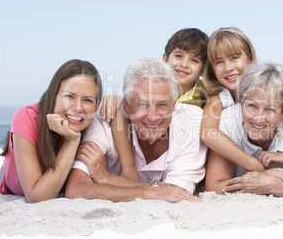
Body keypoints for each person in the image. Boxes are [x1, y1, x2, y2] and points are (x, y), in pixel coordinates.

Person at [65, 58, 207, 203]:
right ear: (127, 105)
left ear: (173, 104)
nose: (152, 116)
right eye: (143, 104)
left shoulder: (192, 122)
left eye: (162, 105)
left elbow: (176, 193)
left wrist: (104, 177)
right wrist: (153, 191)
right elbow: (76, 189)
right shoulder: (106, 120)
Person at [200, 27, 283, 173]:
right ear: (212, 69)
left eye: (234, 58)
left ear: (250, 59)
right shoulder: (218, 98)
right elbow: (208, 134)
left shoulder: (271, 89)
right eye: (219, 62)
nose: (228, 67)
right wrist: (254, 164)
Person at [99, 28, 209, 181]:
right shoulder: (145, 86)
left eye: (194, 60)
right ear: (165, 58)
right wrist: (118, 101)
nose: (184, 64)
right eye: (178, 56)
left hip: (191, 161)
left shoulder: (204, 97)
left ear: (203, 69)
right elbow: (127, 107)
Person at [205, 62, 283, 196]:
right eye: (252, 106)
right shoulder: (227, 122)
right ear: (242, 103)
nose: (258, 118)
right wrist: (271, 177)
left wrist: (274, 185)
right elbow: (214, 187)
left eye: (270, 109)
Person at [0, 59, 103, 203]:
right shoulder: (25, 118)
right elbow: (36, 197)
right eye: (69, 96)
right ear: (53, 94)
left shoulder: (95, 121)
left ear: (96, 105)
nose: (78, 108)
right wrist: (71, 141)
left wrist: (115, 102)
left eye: (87, 100)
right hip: (12, 176)